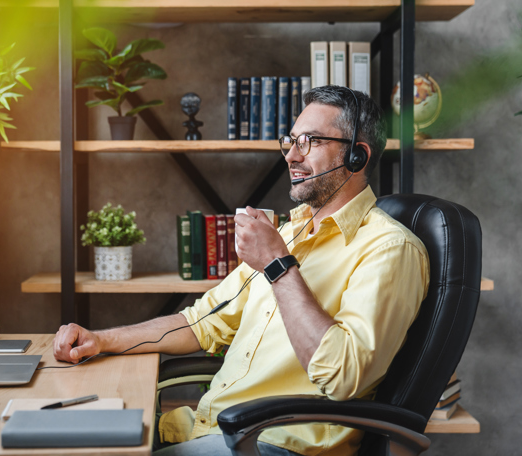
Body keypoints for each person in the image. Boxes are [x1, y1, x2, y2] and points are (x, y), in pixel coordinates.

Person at [52, 86, 430, 456]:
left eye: (309, 142)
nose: (291, 157)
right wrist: (101, 340)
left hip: (273, 445)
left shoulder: (389, 249)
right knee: (66, 439)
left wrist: (278, 265)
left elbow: (343, 375)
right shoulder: (290, 233)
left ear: (356, 157)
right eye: (291, 141)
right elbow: (203, 321)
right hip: (208, 430)